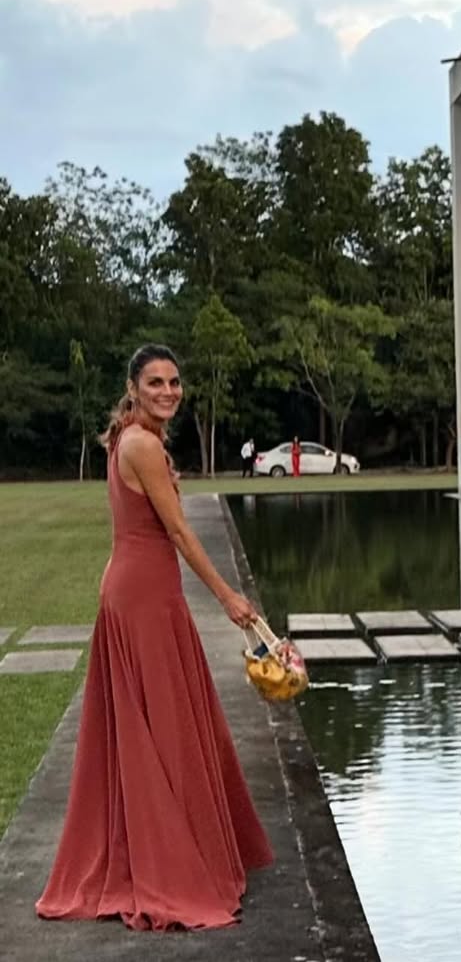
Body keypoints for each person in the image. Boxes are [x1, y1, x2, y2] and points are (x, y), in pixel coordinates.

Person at [36, 344, 273, 931]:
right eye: (156, 383)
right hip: (144, 600)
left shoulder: (131, 439)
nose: (168, 391)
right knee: (160, 729)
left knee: (160, 724)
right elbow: (180, 535)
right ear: (134, 387)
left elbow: (132, 528)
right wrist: (229, 598)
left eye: (174, 382)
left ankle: (172, 845)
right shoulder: (141, 444)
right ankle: (168, 863)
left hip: (140, 594)